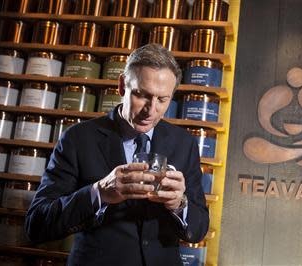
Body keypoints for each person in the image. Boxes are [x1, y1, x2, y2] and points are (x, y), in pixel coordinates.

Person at [25, 44, 210, 266]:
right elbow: (36, 225)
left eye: (162, 99)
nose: (150, 110)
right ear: (122, 85)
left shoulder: (184, 143)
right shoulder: (77, 138)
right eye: (142, 95)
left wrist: (179, 204)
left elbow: (199, 229)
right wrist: (98, 193)